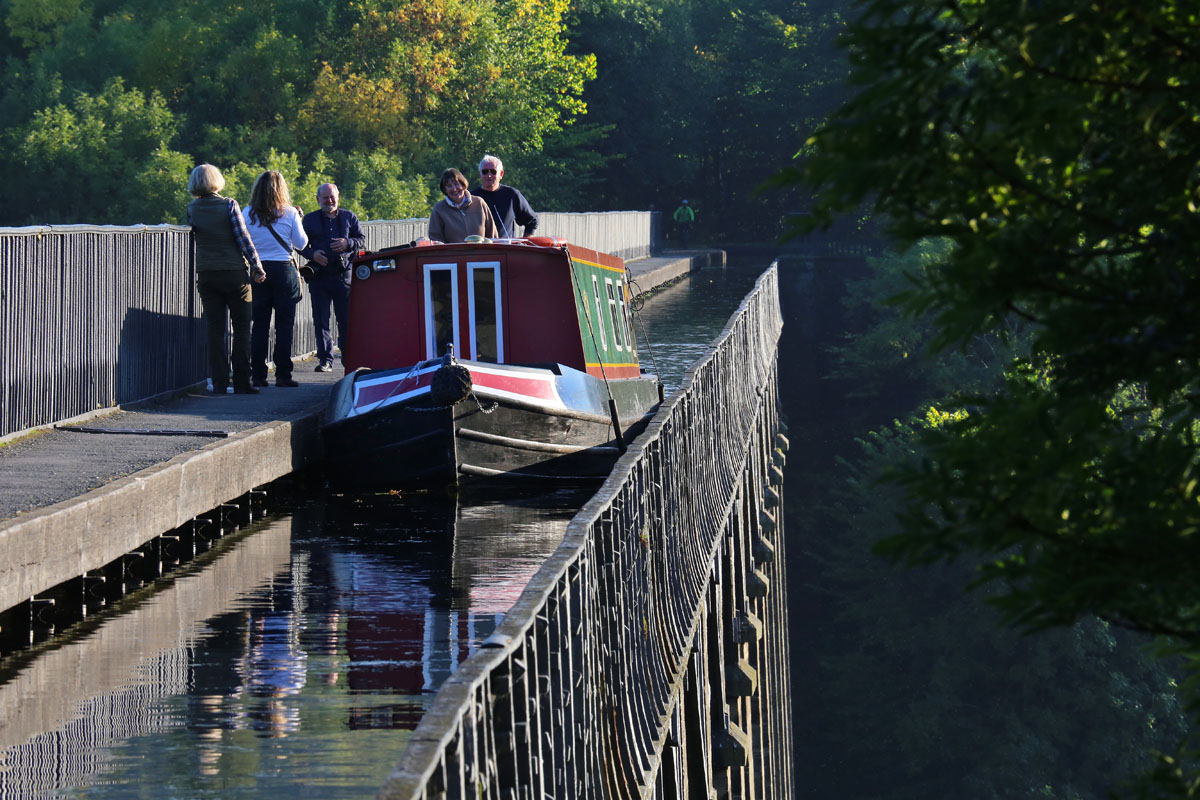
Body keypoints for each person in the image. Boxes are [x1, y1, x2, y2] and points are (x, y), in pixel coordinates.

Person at [186, 164, 266, 395]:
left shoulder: (192, 208)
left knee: (215, 330)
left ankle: (219, 382)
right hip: (234, 274)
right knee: (241, 329)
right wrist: (257, 266)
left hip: (207, 274)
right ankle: (241, 382)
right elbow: (243, 238)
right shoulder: (229, 205)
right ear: (217, 181)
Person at [242, 170, 309, 387]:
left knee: (259, 325)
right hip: (284, 271)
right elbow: (301, 244)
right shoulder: (289, 213)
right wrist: (300, 218)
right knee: (284, 325)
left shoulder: (248, 212)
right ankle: (283, 375)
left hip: (258, 270)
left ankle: (258, 375)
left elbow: (242, 241)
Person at [300, 183, 365, 372]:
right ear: (318, 199)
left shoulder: (349, 217)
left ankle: (348, 359)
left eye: (332, 197)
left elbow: (361, 239)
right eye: (325, 197)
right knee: (321, 320)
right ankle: (325, 360)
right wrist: (312, 255)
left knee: (345, 320)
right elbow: (299, 244)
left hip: (342, 276)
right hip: (319, 276)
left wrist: (347, 243)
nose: (329, 201)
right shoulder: (310, 220)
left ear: (338, 197)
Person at [471, 155, 538, 239]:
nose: (489, 175)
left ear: (501, 174)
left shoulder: (511, 195)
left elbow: (532, 221)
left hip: (505, 249)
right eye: (485, 172)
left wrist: (525, 244)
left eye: (493, 171)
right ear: (480, 174)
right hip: (479, 249)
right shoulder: (472, 198)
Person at [428, 168, 499, 243]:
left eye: (456, 184)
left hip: (480, 253)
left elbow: (492, 235)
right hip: (453, 254)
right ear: (445, 190)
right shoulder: (439, 209)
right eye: (449, 186)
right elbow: (435, 240)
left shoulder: (479, 203)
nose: (454, 189)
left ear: (463, 184)